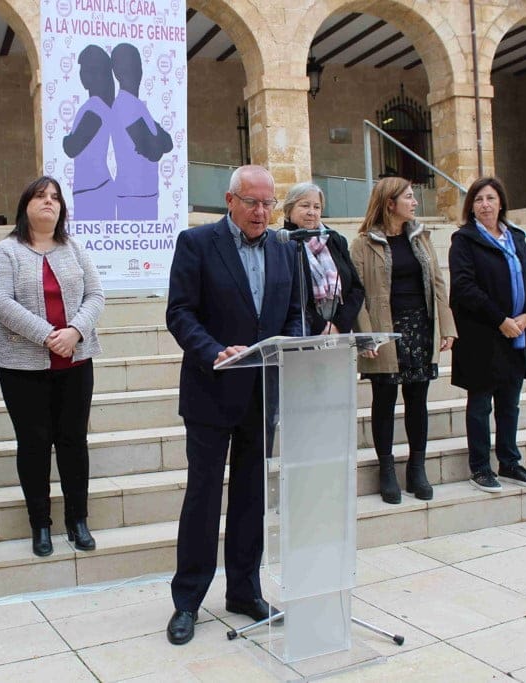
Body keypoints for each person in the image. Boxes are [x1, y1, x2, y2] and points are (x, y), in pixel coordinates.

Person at [165, 165, 302, 646]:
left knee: (250, 498)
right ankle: (188, 601)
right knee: (203, 498)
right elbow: (180, 312)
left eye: (268, 203)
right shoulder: (197, 244)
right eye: (252, 202)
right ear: (230, 200)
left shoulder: (285, 249)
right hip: (211, 390)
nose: (261, 212)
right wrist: (213, 351)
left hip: (262, 394)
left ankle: (245, 591)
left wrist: (296, 347)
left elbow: (293, 315)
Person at [0, 175, 105, 557]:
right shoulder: (7, 251)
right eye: (40, 196)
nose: (49, 202)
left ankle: (78, 520)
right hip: (22, 367)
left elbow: (95, 294)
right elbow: (0, 301)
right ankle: (40, 525)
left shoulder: (74, 248)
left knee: (73, 441)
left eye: (55, 197)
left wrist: (75, 332)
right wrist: (48, 335)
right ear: (26, 206)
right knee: (34, 444)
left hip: (75, 361)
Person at [350, 177, 456, 504]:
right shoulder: (363, 244)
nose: (414, 202)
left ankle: (416, 468)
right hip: (384, 332)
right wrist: (366, 336)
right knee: (384, 400)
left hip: (420, 328)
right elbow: (356, 294)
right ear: (389, 203)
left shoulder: (420, 237)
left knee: (417, 400)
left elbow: (438, 283)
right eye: (408, 197)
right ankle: (386, 470)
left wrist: (447, 327)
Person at [449, 177, 526, 492]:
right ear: (471, 206)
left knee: (509, 403)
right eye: (478, 200)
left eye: (490, 198)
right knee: (480, 405)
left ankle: (510, 462)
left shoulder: (515, 237)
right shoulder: (464, 240)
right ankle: (480, 467)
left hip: (517, 334)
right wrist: (500, 319)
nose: (485, 205)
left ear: (501, 202)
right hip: (482, 336)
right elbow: (464, 287)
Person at [280, 181, 365, 334]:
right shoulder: (281, 244)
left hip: (338, 334)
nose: (311, 212)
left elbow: (356, 288)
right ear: (289, 209)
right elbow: (286, 296)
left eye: (317, 207)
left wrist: (339, 325)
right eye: (305, 206)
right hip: (302, 333)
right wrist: (321, 327)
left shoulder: (335, 240)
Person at [110, 42, 173, 220]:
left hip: (144, 193)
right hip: (133, 195)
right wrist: (156, 139)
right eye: (128, 68)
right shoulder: (125, 105)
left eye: (137, 66)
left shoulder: (137, 105)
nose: (135, 72)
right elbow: (154, 152)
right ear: (117, 73)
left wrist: (156, 139)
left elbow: (168, 143)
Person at [63, 45, 116, 220]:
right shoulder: (98, 106)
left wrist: (67, 139)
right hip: (92, 188)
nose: (82, 75)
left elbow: (72, 147)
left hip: (94, 189)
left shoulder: (95, 108)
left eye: (85, 69)